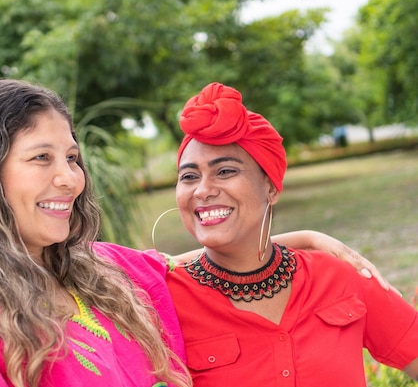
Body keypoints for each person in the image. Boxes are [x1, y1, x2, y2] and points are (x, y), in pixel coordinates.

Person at [0, 79, 384, 387]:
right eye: (42, 158)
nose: (70, 178)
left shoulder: (93, 270)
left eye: (72, 158)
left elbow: (184, 264)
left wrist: (300, 239)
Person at [165, 82, 418, 386]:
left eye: (225, 171)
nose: (203, 190)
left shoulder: (339, 275)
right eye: (189, 176)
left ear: (270, 187)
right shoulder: (161, 297)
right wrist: (308, 236)